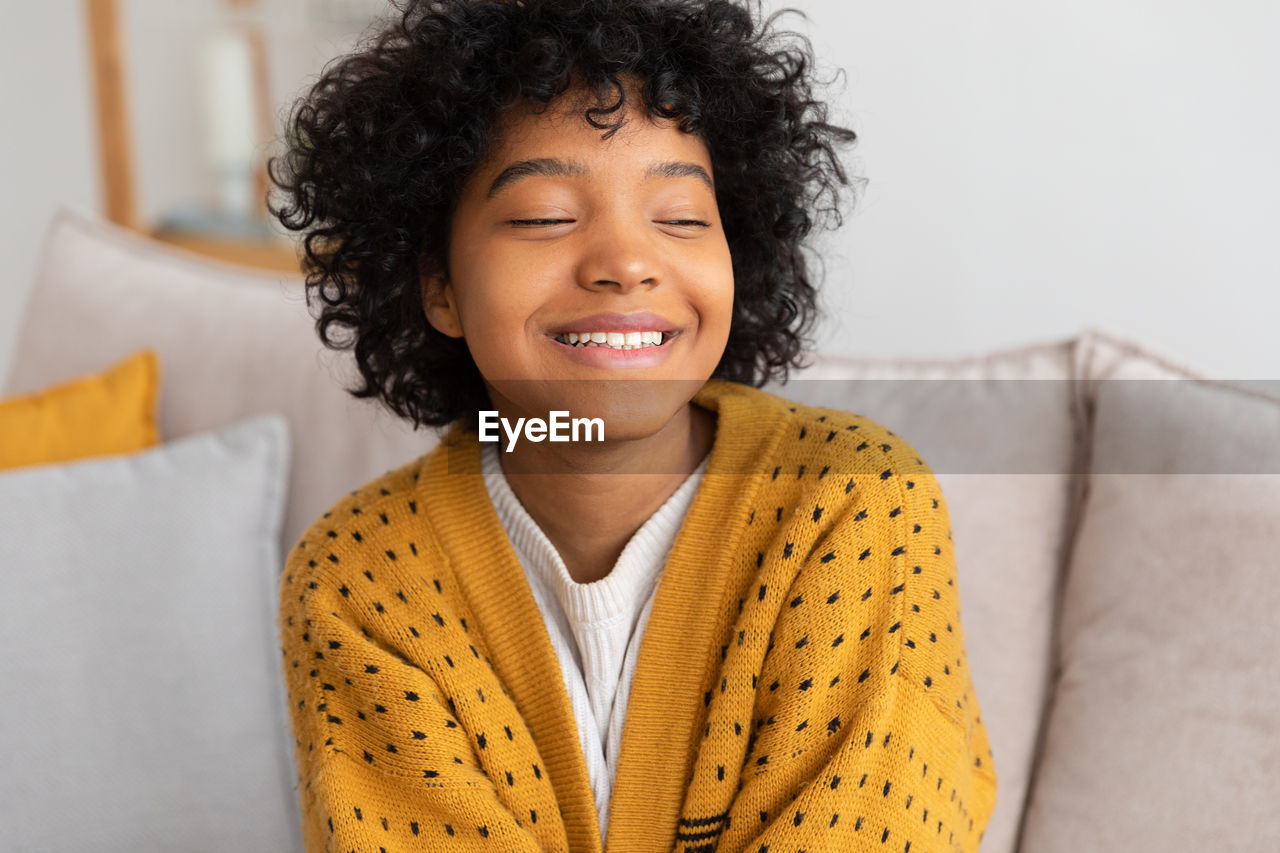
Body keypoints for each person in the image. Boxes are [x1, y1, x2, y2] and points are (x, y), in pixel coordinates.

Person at [269, 0, 997, 850]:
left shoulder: (853, 502)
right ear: (439, 285)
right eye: (546, 215)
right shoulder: (357, 578)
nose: (627, 262)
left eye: (682, 218)